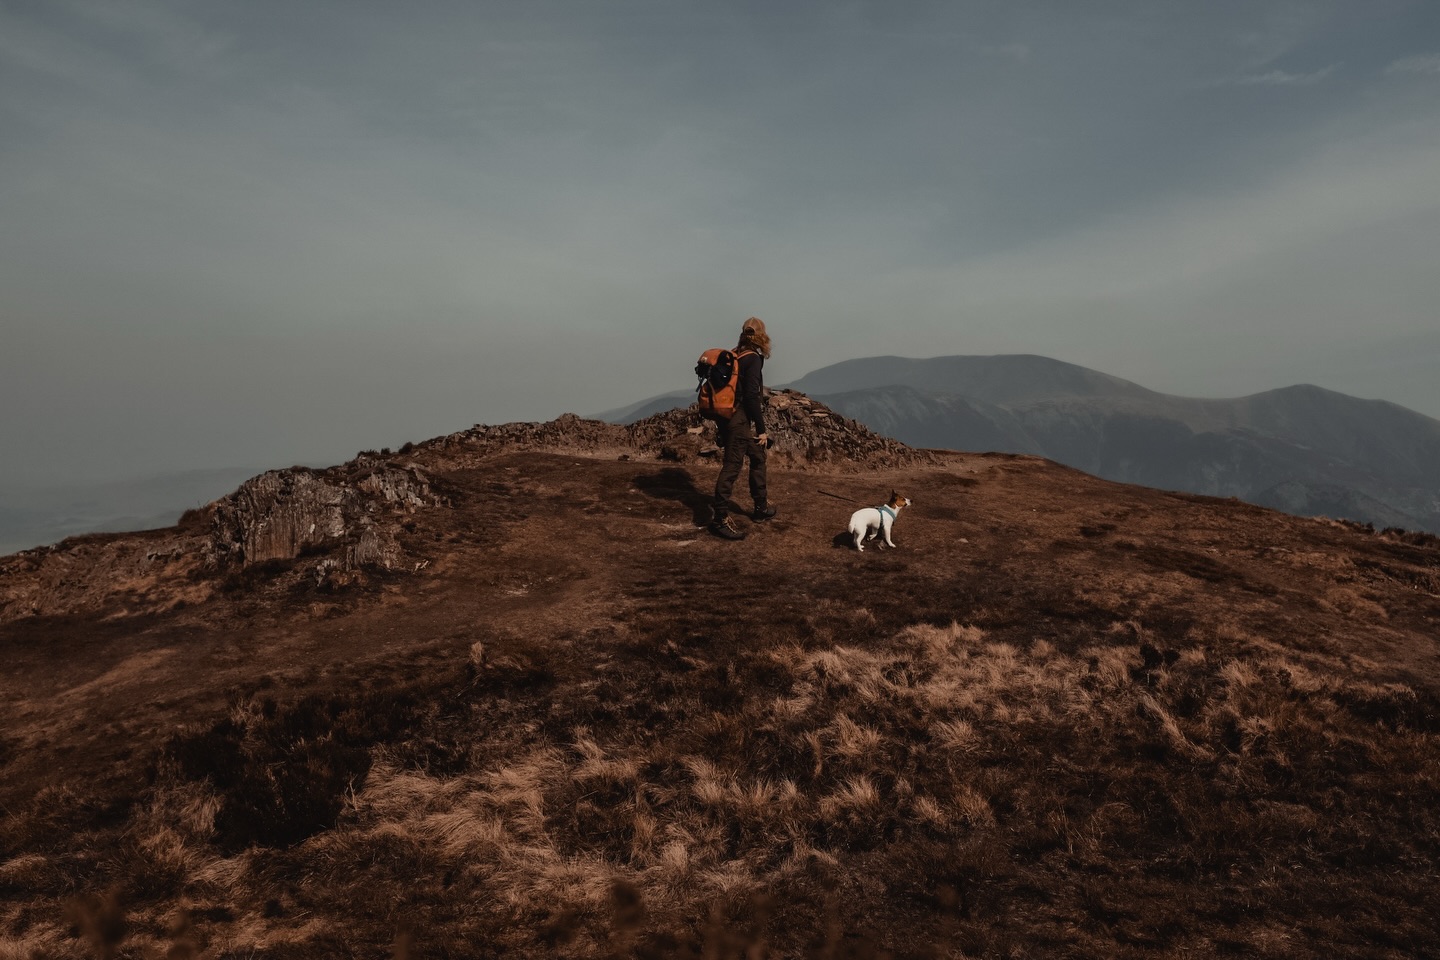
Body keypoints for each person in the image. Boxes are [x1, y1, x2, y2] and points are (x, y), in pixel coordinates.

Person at [709, 317, 775, 540]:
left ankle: (761, 506)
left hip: (729, 417)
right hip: (739, 420)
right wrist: (762, 429)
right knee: (732, 466)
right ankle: (719, 519)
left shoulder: (736, 353)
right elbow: (751, 396)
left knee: (757, 456)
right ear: (762, 335)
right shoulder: (753, 359)